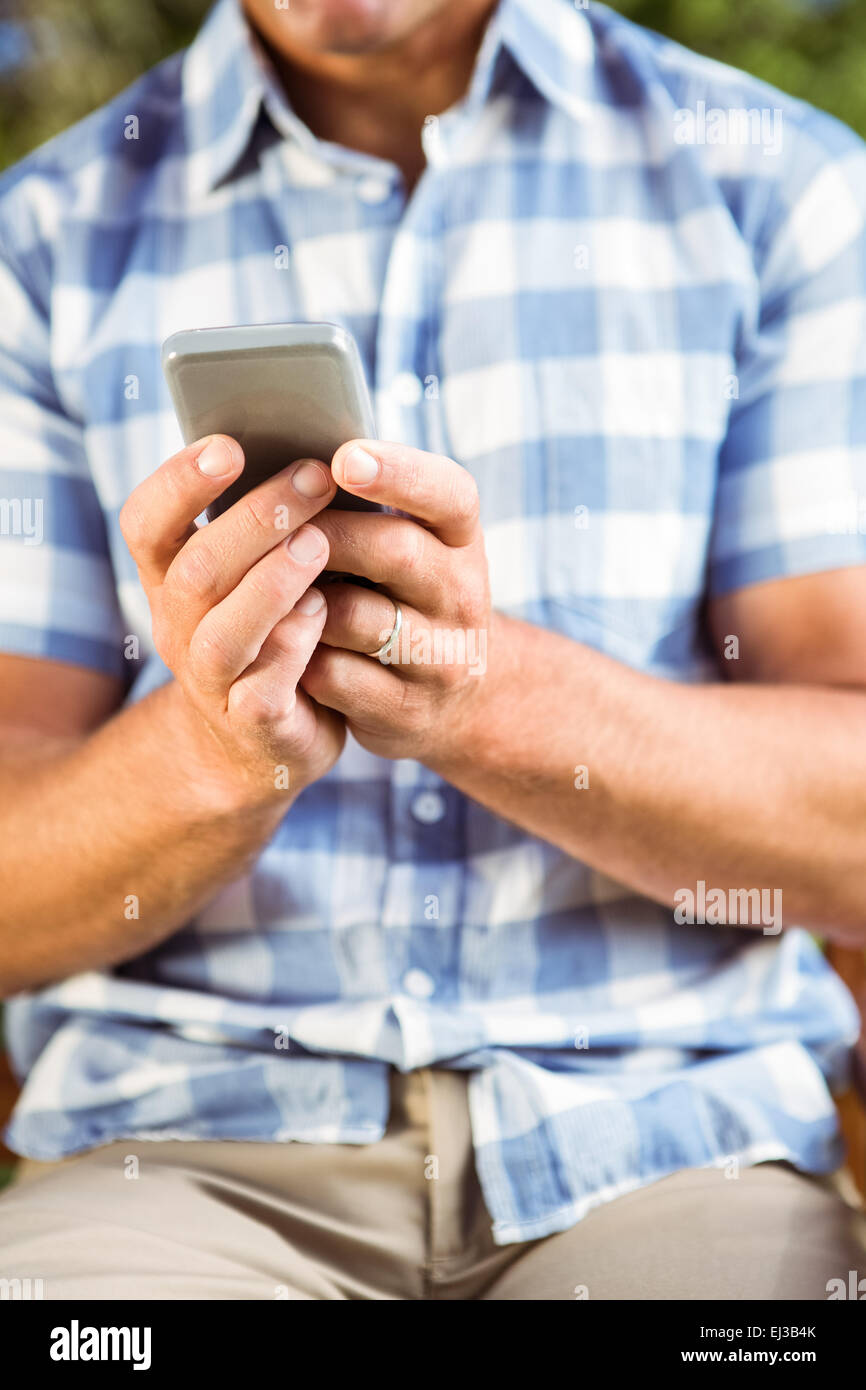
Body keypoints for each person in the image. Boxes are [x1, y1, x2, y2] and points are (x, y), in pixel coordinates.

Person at [0, 0, 865, 1301]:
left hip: (676, 1151)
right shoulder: (40, 240)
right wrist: (212, 749)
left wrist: (482, 699)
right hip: (178, 1159)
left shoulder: (781, 189)